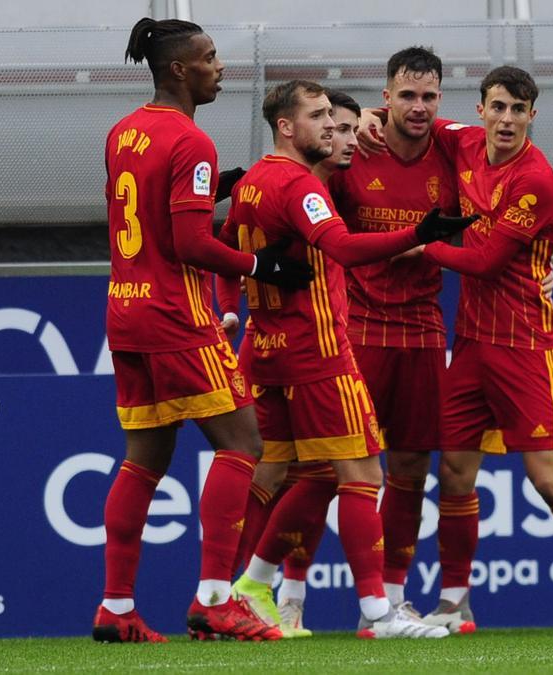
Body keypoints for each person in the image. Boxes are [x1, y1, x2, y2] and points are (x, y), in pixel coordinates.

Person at [364, 66, 553, 633]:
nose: (506, 119)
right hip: (470, 344)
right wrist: (365, 115)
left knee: (547, 478)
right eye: (498, 107)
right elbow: (413, 121)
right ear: (481, 109)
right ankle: (454, 601)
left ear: (532, 115)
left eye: (518, 109)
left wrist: (422, 247)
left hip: (525, 344)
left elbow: (486, 260)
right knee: (456, 473)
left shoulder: (535, 178)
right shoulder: (461, 140)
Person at [219, 79, 475, 639]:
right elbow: (344, 247)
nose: (333, 129)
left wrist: (231, 311)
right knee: (363, 473)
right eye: (320, 119)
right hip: (319, 352)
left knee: (309, 476)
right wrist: (421, 233)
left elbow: (229, 256)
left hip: (269, 352)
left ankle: (248, 587)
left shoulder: (252, 183)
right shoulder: (298, 186)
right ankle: (379, 612)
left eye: (336, 121)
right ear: (288, 127)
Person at [94, 17, 313, 644]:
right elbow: (190, 243)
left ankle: (115, 607)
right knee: (244, 442)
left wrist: (209, 191)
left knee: (144, 459)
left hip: (124, 308)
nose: (221, 68)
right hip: (175, 315)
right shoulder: (191, 139)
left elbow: (131, 209)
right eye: (210, 59)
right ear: (178, 70)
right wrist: (259, 264)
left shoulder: (123, 130)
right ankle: (217, 600)